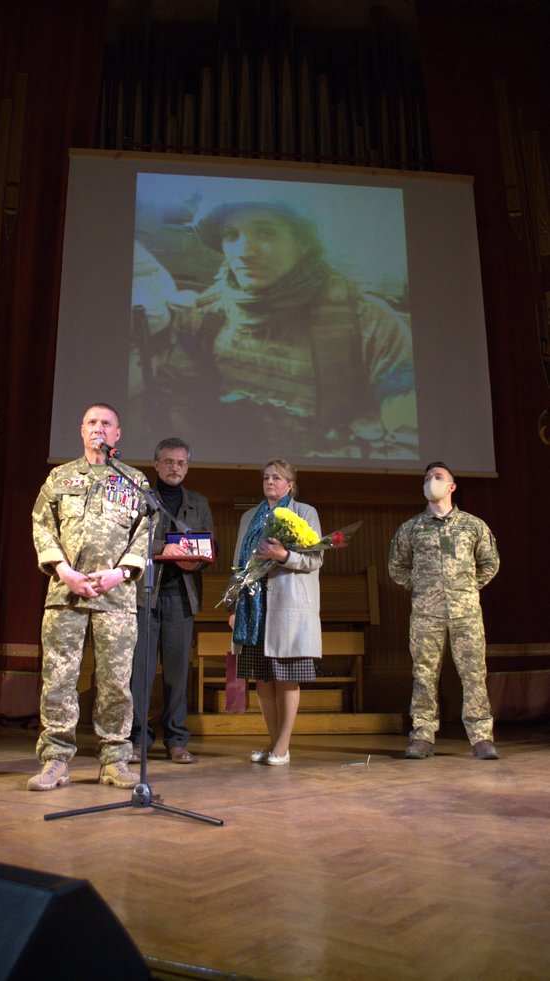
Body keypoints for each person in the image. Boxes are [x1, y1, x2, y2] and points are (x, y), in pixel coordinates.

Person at [148, 197, 416, 461]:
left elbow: (408, 436)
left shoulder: (369, 323)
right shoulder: (206, 316)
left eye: (265, 233)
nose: (243, 251)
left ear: (303, 243)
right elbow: (178, 407)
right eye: (231, 235)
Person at [28, 403, 150, 791]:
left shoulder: (135, 481)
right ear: (82, 431)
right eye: (92, 422)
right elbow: (42, 527)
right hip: (66, 594)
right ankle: (55, 761)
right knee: (59, 679)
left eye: (107, 424)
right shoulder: (59, 478)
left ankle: (115, 759)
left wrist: (120, 573)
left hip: (116, 598)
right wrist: (64, 572)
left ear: (117, 435)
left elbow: (146, 532)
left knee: (116, 681)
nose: (99, 428)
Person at [388, 461, 500, 761]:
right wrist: (421, 587)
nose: (431, 481)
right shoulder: (411, 528)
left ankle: (481, 738)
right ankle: (422, 736)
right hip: (427, 613)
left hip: (466, 613)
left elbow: (490, 562)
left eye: (438, 477)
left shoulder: (473, 525)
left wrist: (468, 588)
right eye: (427, 478)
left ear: (451, 487)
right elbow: (396, 567)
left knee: (474, 673)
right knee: (424, 674)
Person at [228, 459, 323, 765]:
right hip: (254, 607)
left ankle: (282, 746)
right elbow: (238, 564)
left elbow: (315, 559)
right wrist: (233, 605)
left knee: (286, 676)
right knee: (263, 678)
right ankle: (273, 745)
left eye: (277, 478)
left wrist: (284, 556)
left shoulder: (304, 512)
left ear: (290, 484)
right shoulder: (248, 517)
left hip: (288, 605)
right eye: (266, 477)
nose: (270, 482)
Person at [130, 437, 214, 764]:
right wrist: (159, 551)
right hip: (144, 594)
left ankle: (176, 740)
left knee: (178, 673)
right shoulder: (139, 497)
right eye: (168, 462)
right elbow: (126, 542)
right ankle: (138, 739)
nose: (174, 468)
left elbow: (211, 546)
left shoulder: (199, 503)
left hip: (182, 596)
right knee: (141, 671)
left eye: (180, 463)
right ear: (156, 464)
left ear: (187, 466)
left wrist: (199, 559)